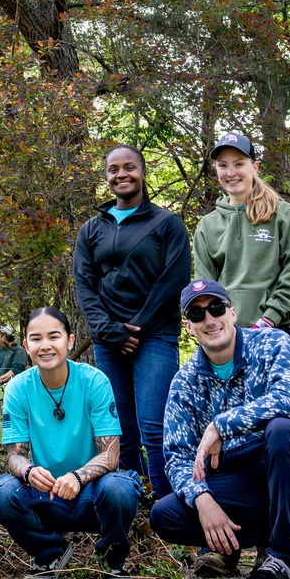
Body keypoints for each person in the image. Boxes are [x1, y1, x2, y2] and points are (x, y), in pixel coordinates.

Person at [150, 279, 290, 579]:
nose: (209, 320)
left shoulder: (273, 343)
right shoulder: (184, 382)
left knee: (281, 429)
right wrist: (203, 500)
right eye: (198, 315)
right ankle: (244, 542)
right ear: (189, 326)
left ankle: (285, 559)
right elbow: (176, 457)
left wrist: (220, 425)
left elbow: (289, 401)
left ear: (233, 312)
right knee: (165, 514)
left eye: (216, 308)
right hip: (246, 482)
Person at [0, 307, 142, 578]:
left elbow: (111, 454)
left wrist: (78, 477)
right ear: (26, 345)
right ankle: (50, 554)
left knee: (120, 488)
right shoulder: (17, 387)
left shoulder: (94, 381)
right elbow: (15, 455)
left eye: (54, 337)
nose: (45, 346)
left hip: (92, 493)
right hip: (47, 494)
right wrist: (29, 471)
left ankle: (111, 559)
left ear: (69, 341)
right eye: (36, 339)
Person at [73, 143, 191, 497]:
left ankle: (169, 504)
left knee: (155, 424)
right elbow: (84, 283)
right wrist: (108, 330)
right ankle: (133, 498)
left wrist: (138, 325)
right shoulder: (91, 229)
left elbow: (176, 278)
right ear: (106, 177)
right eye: (113, 169)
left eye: (129, 167)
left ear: (142, 172)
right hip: (108, 341)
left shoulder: (167, 223)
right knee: (119, 428)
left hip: (155, 336)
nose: (121, 174)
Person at [194, 132, 290, 356]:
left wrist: (269, 319)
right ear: (216, 170)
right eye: (223, 165)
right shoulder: (208, 225)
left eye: (239, 164)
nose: (231, 173)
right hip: (228, 339)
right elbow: (204, 288)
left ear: (254, 167)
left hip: (278, 332)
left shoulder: (282, 214)